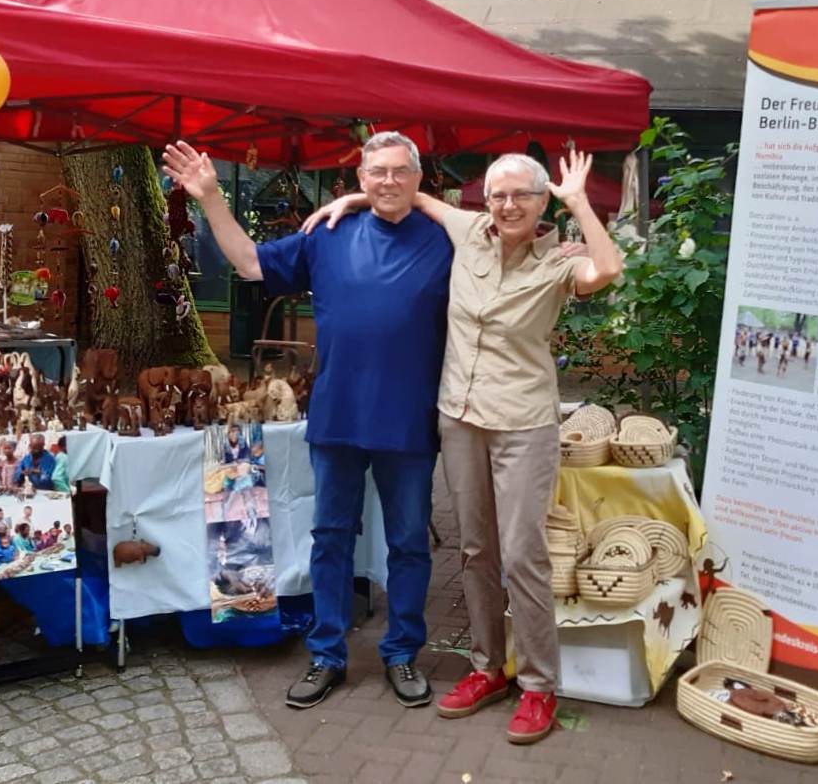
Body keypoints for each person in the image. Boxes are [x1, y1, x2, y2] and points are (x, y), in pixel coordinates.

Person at [306, 149, 621, 746]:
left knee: (522, 555)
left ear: (542, 201)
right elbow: (413, 194)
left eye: (522, 195)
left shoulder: (557, 261)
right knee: (476, 550)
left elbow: (606, 269)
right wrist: (356, 196)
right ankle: (488, 668)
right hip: (460, 418)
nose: (508, 205)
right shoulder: (468, 231)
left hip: (523, 422)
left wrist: (580, 203)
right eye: (498, 195)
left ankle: (539, 685)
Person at [163, 133, 454, 711]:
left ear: (419, 179)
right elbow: (249, 263)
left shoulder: (444, 238)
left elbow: (499, 230)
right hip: (338, 415)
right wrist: (211, 197)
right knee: (330, 540)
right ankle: (327, 654)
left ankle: (402, 653)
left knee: (408, 544)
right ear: (361, 177)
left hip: (409, 419)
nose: (389, 181)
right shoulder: (329, 233)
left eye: (401, 171)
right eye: (377, 172)